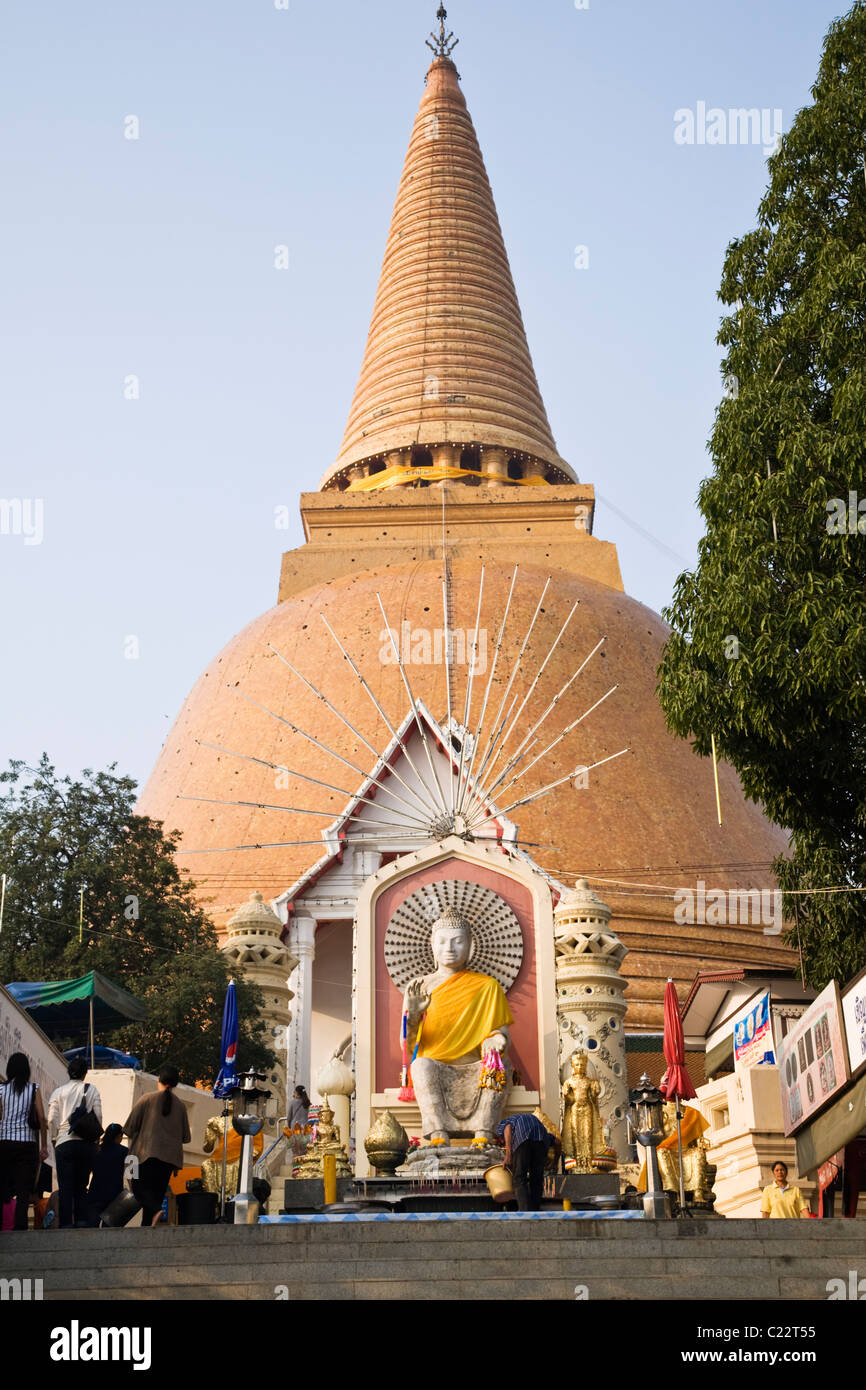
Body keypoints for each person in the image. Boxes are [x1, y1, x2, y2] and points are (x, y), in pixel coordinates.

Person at [123, 1066, 190, 1227]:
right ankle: (148, 1227)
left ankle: (156, 1208)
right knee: (156, 1193)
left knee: (138, 1189)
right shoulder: (181, 1106)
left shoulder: (147, 1099)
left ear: (158, 1080)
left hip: (144, 1155)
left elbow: (129, 1128)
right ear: (176, 1084)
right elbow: (186, 1137)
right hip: (169, 1159)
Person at [48, 1058, 102, 1228]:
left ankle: (65, 1224)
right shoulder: (92, 1090)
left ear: (68, 1072)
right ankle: (81, 1220)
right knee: (81, 1184)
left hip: (64, 1143)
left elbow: (51, 1120)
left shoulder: (58, 1092)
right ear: (85, 1073)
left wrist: (55, 1137)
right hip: (86, 1144)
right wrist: (95, 1139)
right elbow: (99, 1117)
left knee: (65, 1186)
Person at [0, 1052, 48, 1230]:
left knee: (2, 1184)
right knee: (23, 1189)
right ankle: (20, 1227)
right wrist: (43, 1146)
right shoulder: (34, 1089)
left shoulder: (1, 1089)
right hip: (26, 1144)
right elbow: (42, 1118)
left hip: (3, 1142)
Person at [496, 1112, 559, 1212]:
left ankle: (524, 1212)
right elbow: (557, 1142)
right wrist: (555, 1162)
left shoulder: (504, 1124)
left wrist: (508, 1155)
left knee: (519, 1177)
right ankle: (535, 1211)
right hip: (541, 1138)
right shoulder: (542, 1130)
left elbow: (507, 1128)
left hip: (523, 1136)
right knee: (537, 1179)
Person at [85, 1124, 129, 1226]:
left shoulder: (96, 1150)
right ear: (119, 1136)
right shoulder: (125, 1151)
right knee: (110, 1232)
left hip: (95, 1194)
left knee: (91, 1230)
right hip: (115, 1197)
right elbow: (132, 1175)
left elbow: (88, 1170)